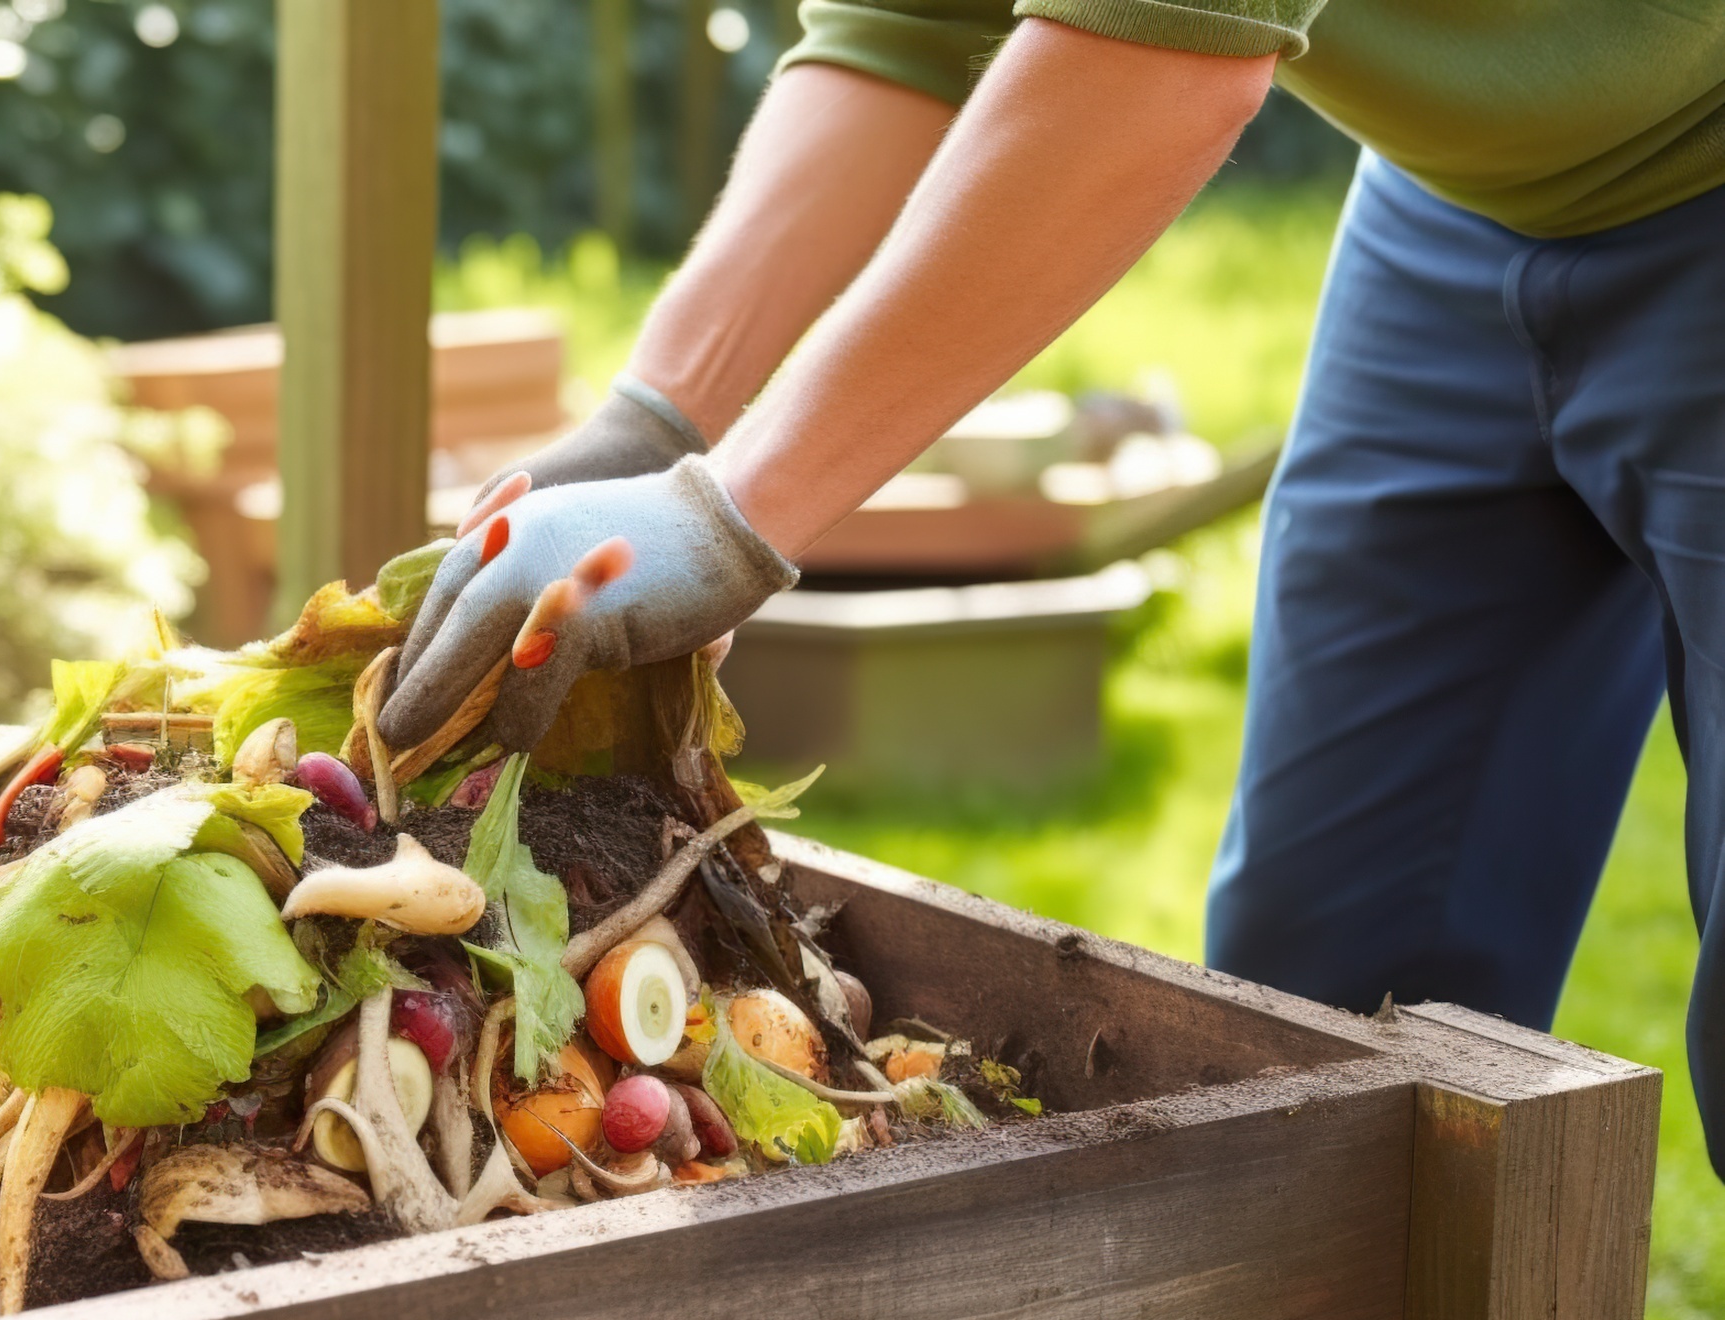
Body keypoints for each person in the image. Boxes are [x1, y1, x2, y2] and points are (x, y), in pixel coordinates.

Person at [378, 4, 1725, 1163]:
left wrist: (730, 518)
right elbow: (909, 33)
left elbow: (1163, 52)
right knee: (1324, 1006)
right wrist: (664, 416)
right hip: (1456, 197)